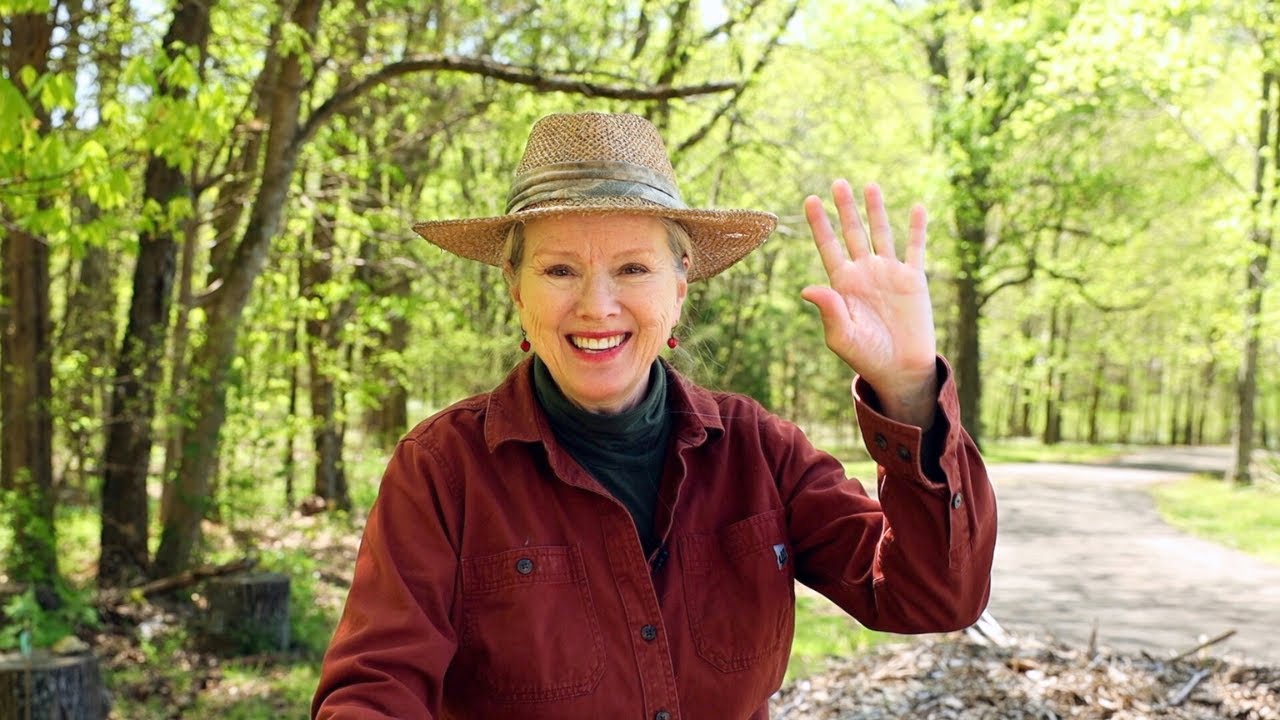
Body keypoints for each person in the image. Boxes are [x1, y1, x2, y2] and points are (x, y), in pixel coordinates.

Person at [311, 112, 996, 719]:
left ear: (681, 283)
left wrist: (908, 389)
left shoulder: (760, 451)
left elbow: (932, 597)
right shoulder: (443, 469)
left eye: (633, 269)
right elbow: (376, 685)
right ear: (515, 289)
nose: (596, 306)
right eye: (559, 271)